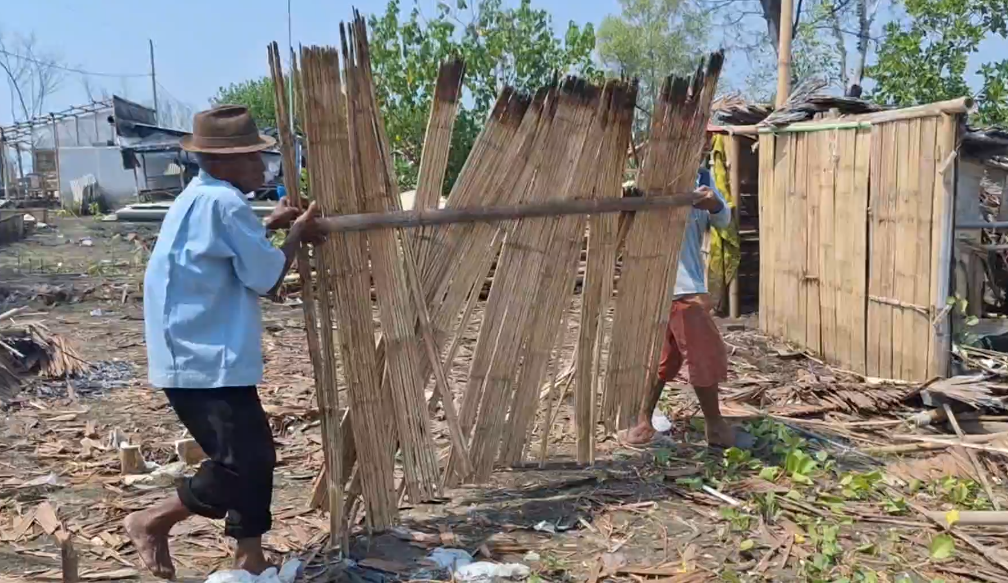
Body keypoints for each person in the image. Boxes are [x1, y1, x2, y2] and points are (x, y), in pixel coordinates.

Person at [126, 105, 325, 579]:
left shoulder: (201, 196)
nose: (263, 166)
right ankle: (152, 520)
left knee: (251, 457)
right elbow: (265, 276)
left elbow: (227, 249)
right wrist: (297, 235)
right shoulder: (224, 203)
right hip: (202, 356)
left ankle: (249, 559)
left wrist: (272, 226)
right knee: (243, 463)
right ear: (223, 161)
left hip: (198, 350)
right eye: (254, 158)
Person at [622, 165, 753, 450]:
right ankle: (716, 428)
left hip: (687, 282)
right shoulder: (648, 179)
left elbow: (722, 220)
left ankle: (641, 424)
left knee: (665, 360)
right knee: (704, 354)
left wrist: (714, 202)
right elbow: (623, 228)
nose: (704, 141)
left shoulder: (701, 177)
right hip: (673, 287)